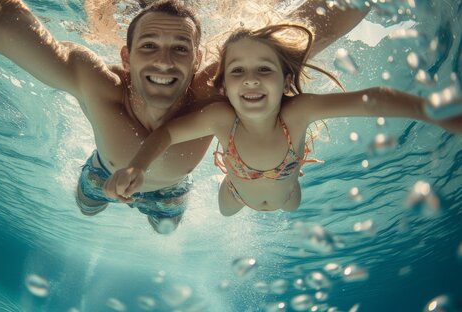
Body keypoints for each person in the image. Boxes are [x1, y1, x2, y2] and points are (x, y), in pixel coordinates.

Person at [0, 0, 368, 233]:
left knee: (165, 229)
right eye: (149, 46)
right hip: (102, 173)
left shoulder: (217, 93)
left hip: (172, 188)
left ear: (198, 61)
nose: (163, 62)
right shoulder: (93, 84)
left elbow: (316, 27)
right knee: (86, 209)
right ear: (125, 55)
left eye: (180, 49)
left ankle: (160, 216)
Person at [104, 23, 462, 216]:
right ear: (224, 86)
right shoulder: (219, 118)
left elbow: (375, 100)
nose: (251, 79)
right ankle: (191, 196)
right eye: (238, 71)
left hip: (288, 191)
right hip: (236, 192)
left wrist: (440, 115)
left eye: (264, 69)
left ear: (285, 80)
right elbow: (165, 135)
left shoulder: (299, 111)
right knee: (227, 212)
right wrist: (138, 165)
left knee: (289, 204)